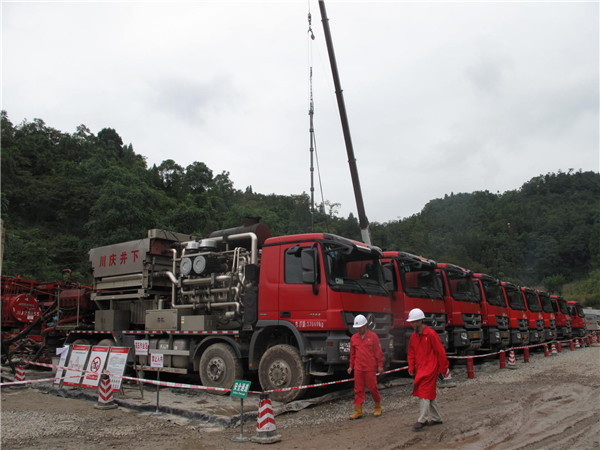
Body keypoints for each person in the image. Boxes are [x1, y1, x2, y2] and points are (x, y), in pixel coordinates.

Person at [406, 308, 450, 431]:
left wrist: (443, 368)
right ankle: (436, 418)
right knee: (428, 394)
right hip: (421, 369)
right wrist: (411, 366)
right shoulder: (414, 337)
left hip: (430, 368)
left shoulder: (430, 334)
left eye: (415, 322)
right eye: (412, 322)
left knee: (423, 392)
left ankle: (422, 419)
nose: (413, 324)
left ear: (420, 320)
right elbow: (411, 353)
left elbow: (440, 352)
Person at [347, 314, 384, 419]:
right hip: (358, 368)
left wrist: (380, 365)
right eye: (357, 328)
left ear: (366, 326)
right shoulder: (354, 338)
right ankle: (358, 411)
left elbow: (378, 352)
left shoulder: (373, 337)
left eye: (360, 328)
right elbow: (352, 354)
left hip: (370, 368)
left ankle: (378, 407)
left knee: (373, 388)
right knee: (358, 389)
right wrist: (351, 366)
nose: (359, 330)